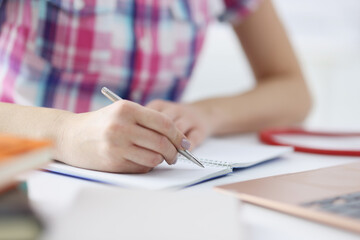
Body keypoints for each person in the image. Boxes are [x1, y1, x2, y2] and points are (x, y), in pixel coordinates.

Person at [0, 0, 311, 173]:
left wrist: (205, 114)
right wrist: (66, 133)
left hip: (158, 188)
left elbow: (294, 91)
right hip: (27, 176)